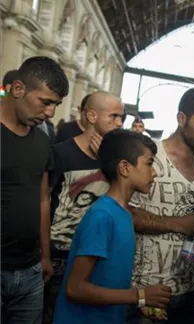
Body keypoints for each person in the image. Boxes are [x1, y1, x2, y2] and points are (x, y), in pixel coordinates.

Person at [52, 129, 172, 323]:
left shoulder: (123, 214)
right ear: (124, 168)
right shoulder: (102, 216)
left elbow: (109, 277)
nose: (154, 172)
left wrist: (140, 303)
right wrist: (139, 295)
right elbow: (75, 288)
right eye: (149, 164)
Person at [127, 88, 194, 323]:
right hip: (148, 289)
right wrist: (178, 223)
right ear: (181, 119)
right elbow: (124, 213)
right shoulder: (149, 155)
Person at [44, 91, 125, 322]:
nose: (119, 123)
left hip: (96, 256)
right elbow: (45, 201)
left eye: (121, 117)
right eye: (113, 116)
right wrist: (44, 253)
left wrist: (107, 162)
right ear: (91, 116)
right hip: (60, 255)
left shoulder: (115, 160)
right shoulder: (61, 153)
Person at [1, 56, 69, 323]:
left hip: (30, 271)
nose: (51, 113)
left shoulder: (42, 142)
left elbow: (43, 199)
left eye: (56, 105)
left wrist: (44, 255)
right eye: (46, 102)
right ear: (18, 89)